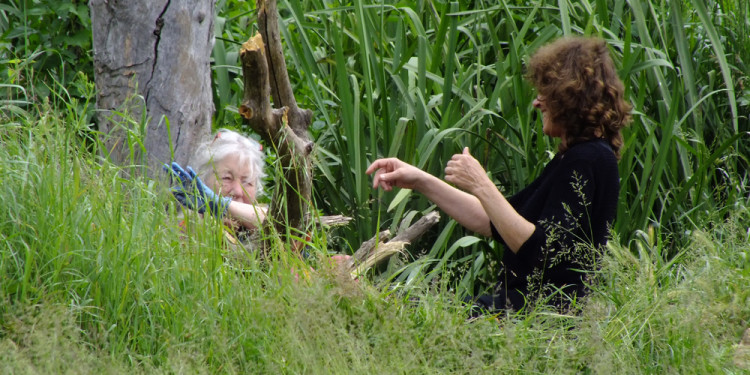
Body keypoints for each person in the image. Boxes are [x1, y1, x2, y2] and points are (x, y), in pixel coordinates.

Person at [366, 36, 632, 313]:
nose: (537, 103)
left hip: (540, 319)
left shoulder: (588, 158)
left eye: (546, 92)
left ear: (570, 98)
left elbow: (541, 249)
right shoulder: (576, 158)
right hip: (527, 311)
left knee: (401, 310)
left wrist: (481, 183)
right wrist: (420, 180)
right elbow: (494, 220)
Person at [165, 128, 267, 232]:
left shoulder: (264, 231)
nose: (237, 191)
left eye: (247, 182)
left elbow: (275, 222)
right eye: (227, 178)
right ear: (203, 180)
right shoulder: (185, 229)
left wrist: (221, 205)